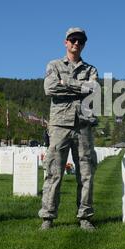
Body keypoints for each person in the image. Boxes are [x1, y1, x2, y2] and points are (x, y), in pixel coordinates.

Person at [38, 27, 98, 231]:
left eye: (80, 41)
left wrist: (66, 82)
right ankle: (47, 217)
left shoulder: (91, 70)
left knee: (86, 173)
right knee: (54, 172)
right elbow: (50, 88)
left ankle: (85, 216)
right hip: (59, 125)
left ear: (84, 44)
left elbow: (92, 89)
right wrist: (79, 86)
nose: (76, 44)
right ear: (65, 42)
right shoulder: (53, 65)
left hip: (83, 125)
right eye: (73, 40)